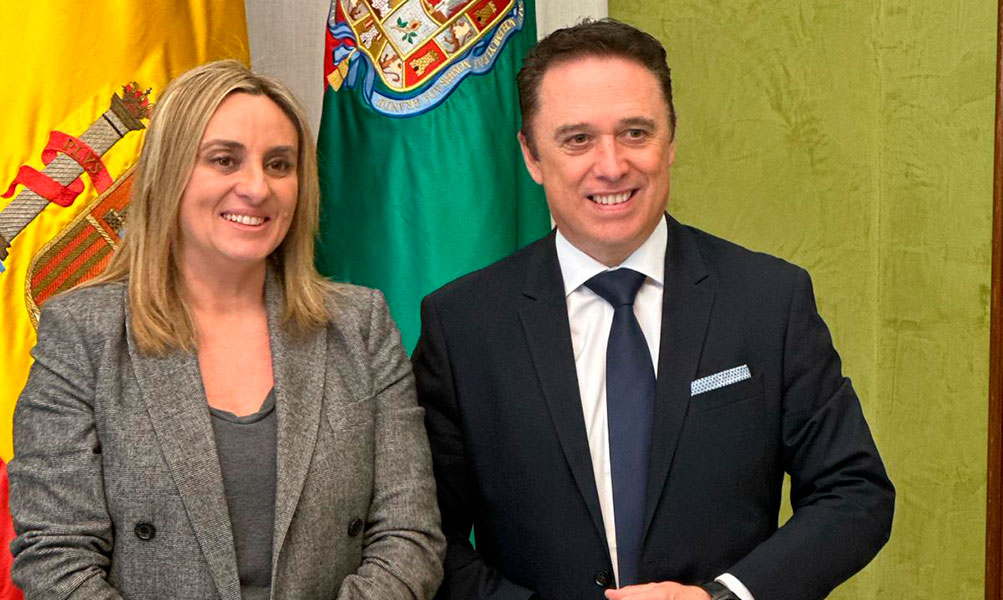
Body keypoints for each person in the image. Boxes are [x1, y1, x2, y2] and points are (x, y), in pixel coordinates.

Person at [412, 19, 894, 600]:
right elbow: (422, 537)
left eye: (635, 132)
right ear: (532, 156)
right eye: (577, 139)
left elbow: (855, 492)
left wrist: (725, 597)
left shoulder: (769, 300)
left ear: (671, 140)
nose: (612, 165)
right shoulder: (463, 326)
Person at [9, 60, 444, 600]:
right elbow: (56, 558)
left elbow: (409, 537)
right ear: (168, 172)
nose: (257, 188)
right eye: (224, 160)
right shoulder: (82, 332)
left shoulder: (360, 324)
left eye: (279, 164)